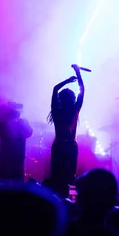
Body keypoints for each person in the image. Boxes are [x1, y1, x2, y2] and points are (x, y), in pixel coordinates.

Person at [45, 64, 85, 198]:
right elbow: (82, 90)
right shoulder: (74, 111)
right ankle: (69, 203)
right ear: (73, 99)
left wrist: (67, 81)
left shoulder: (57, 112)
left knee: (57, 178)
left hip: (59, 145)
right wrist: (78, 73)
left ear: (60, 100)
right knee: (69, 177)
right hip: (71, 146)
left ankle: (58, 204)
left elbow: (55, 89)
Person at [0, 101, 33, 186]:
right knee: (4, 185)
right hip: (7, 157)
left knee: (16, 185)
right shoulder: (3, 121)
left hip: (17, 157)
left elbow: (29, 133)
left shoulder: (21, 121)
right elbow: (2, 134)